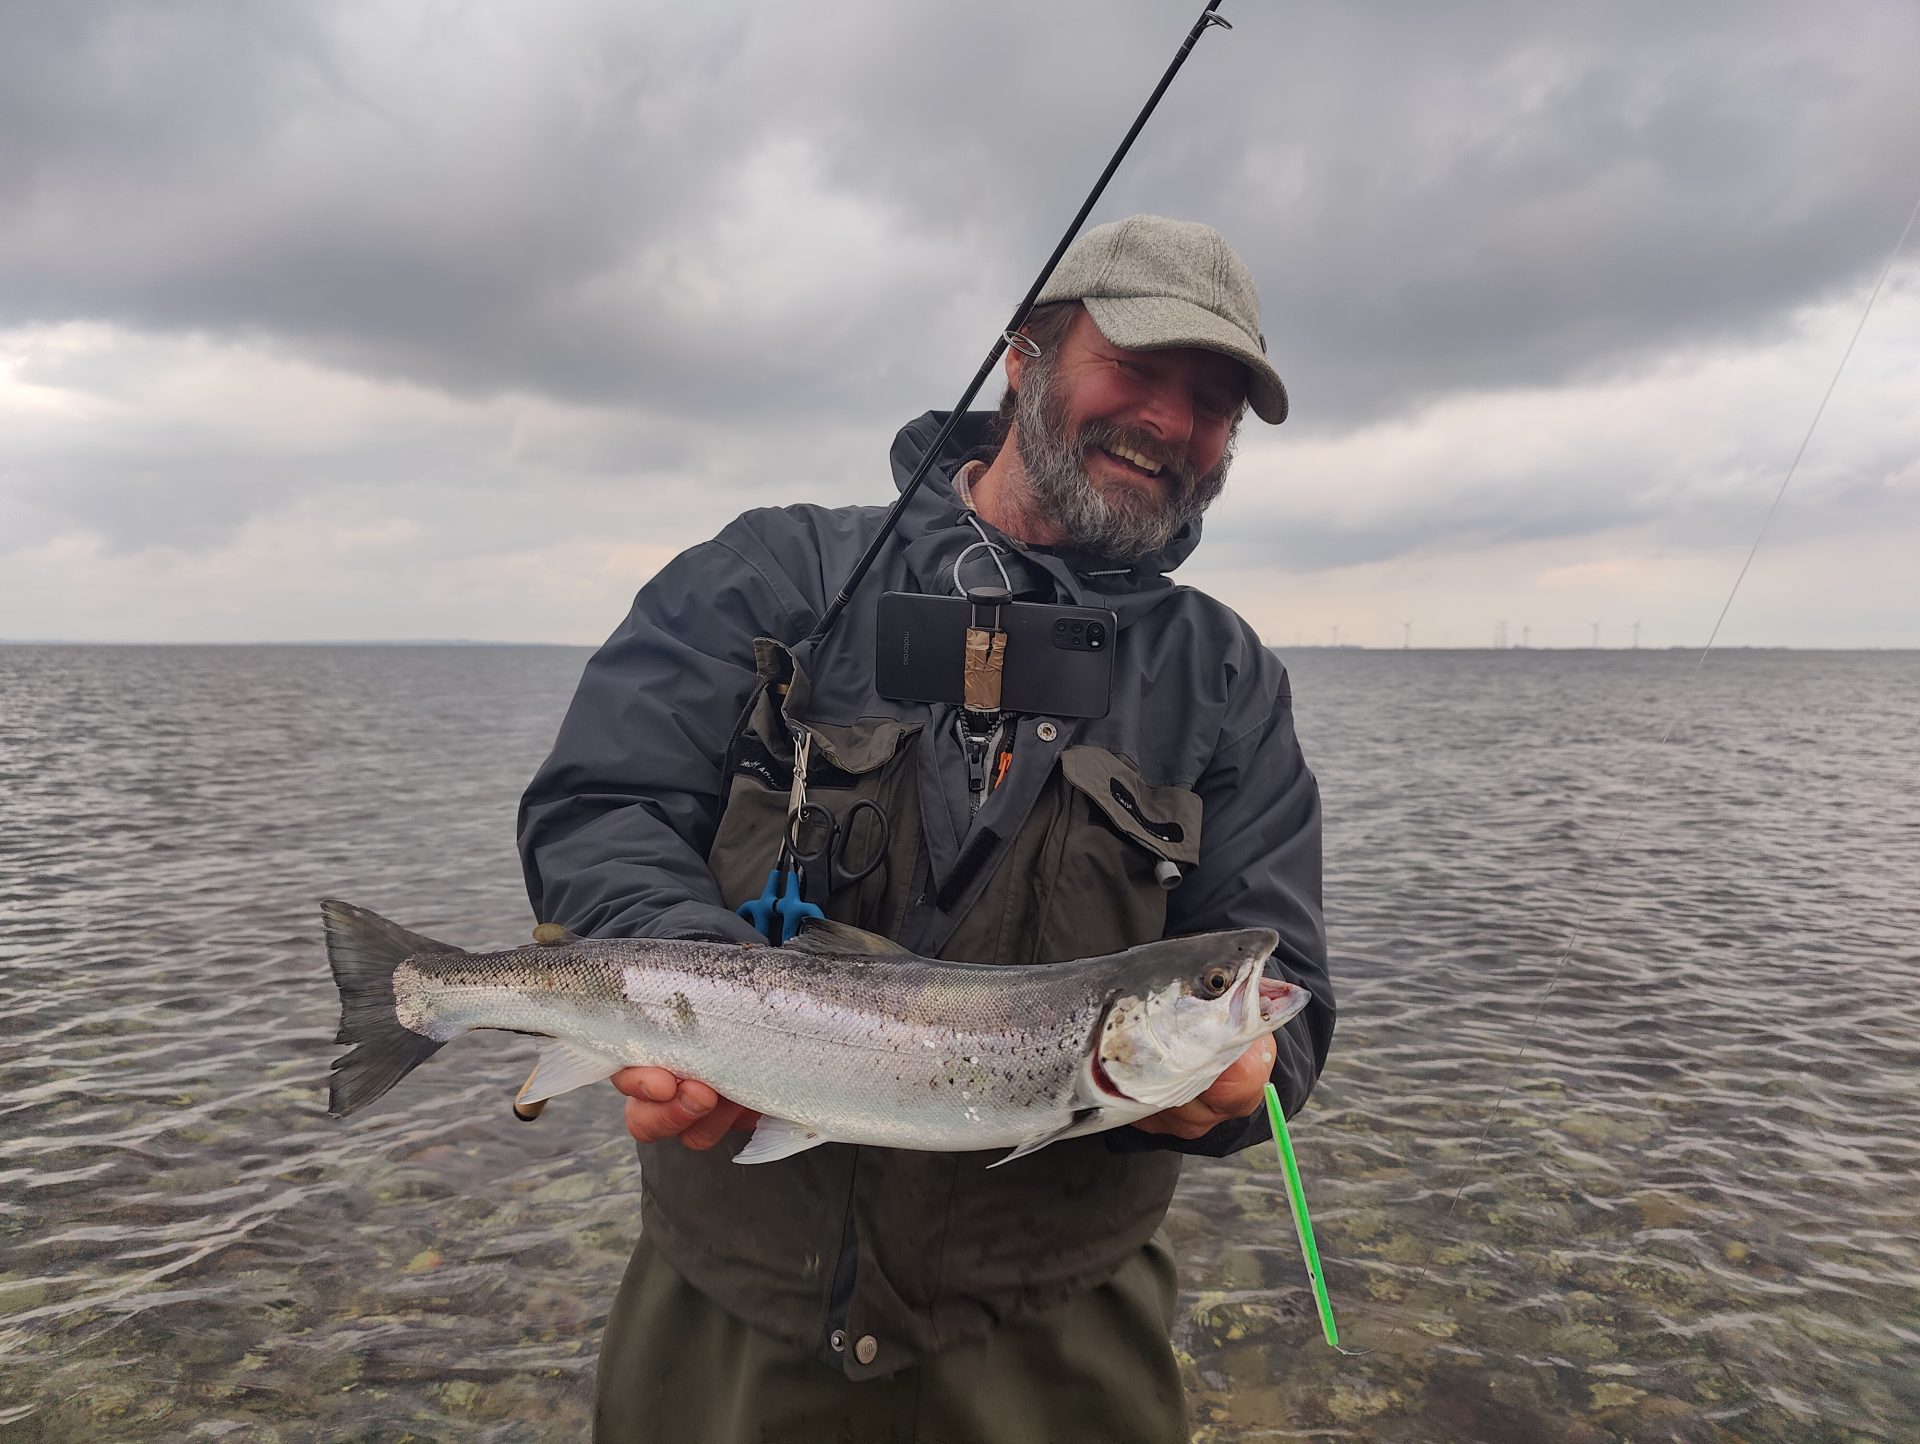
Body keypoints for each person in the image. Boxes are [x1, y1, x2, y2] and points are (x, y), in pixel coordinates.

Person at [518, 214, 1334, 1444]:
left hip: (1058, 1345)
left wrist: (1241, 1082)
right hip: (732, 1324)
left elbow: (1291, 989)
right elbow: (600, 807)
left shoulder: (1225, 680)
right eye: (1141, 369)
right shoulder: (771, 577)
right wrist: (709, 1008)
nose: (1173, 422)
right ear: (1024, 356)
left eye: (1214, 401)